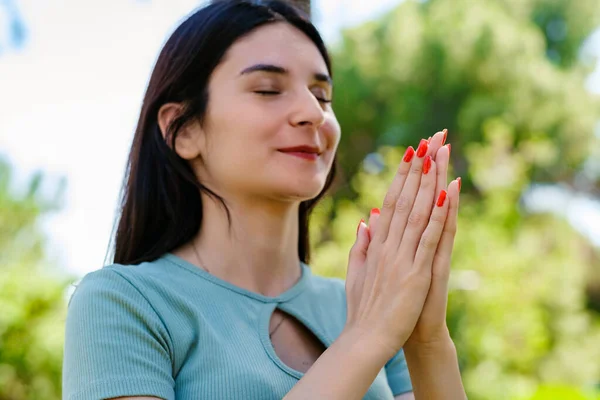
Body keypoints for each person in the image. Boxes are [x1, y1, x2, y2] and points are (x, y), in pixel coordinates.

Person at [62, 1, 466, 399]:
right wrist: (365, 337)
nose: (313, 113)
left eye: (322, 95)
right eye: (268, 89)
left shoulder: (366, 304)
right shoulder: (124, 303)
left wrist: (426, 339)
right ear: (182, 130)